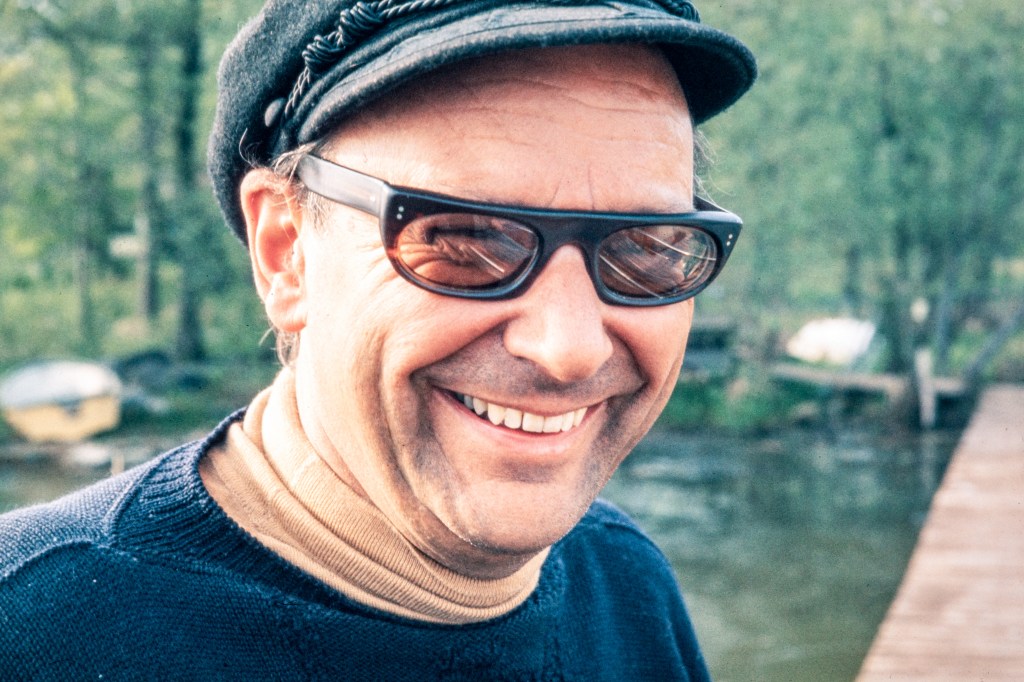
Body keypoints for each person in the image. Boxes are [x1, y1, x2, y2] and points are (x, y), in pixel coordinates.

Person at [0, 1, 755, 679]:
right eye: (465, 241)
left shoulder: (625, 581)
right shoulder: (32, 631)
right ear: (286, 251)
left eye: (646, 250)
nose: (569, 349)